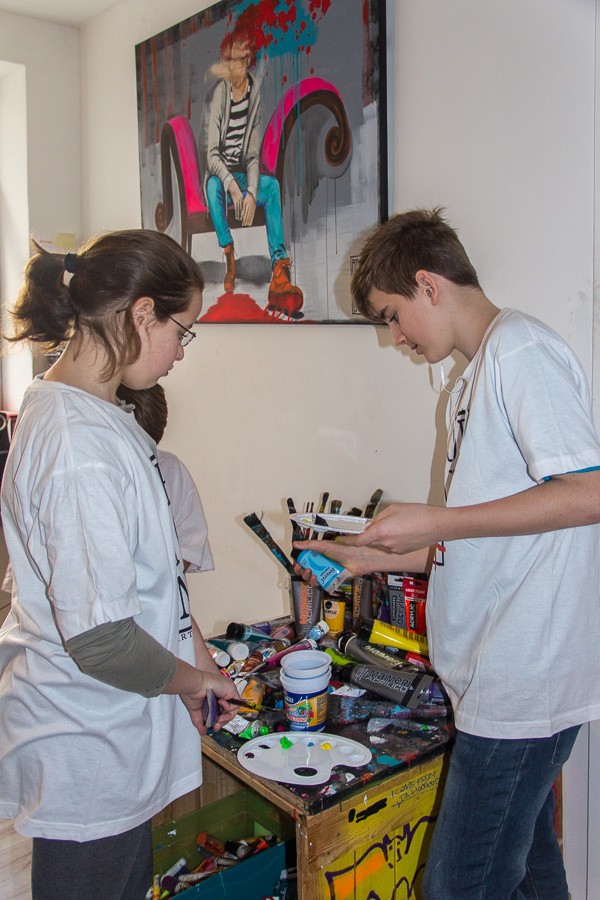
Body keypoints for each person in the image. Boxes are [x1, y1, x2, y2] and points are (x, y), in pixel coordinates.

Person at [294, 208, 600, 899]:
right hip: (495, 677)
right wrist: (374, 559)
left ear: (428, 285)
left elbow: (588, 492)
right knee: (529, 871)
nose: (395, 337)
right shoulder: (473, 377)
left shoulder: (519, 351)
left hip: (522, 680)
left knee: (459, 885)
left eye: (392, 315)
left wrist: (440, 518)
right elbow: (484, 540)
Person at [0, 230, 239, 900]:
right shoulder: (77, 447)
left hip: (117, 731)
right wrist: (194, 680)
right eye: (182, 332)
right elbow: (103, 640)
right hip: (87, 746)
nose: (181, 352)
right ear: (141, 313)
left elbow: (153, 578)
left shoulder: (102, 417)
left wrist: (195, 658)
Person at [202, 26, 303, 314]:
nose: (236, 65)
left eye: (242, 59)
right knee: (213, 186)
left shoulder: (254, 95)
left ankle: (279, 269)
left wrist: (251, 191)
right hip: (220, 175)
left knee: (272, 188)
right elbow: (211, 155)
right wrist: (233, 187)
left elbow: (252, 155)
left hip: (243, 173)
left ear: (249, 61)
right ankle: (228, 252)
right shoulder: (219, 95)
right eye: (232, 59)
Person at [116, 382, 214, 574]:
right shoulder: (98, 469)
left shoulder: (170, 468)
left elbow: (190, 544)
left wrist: (159, 579)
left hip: (160, 589)